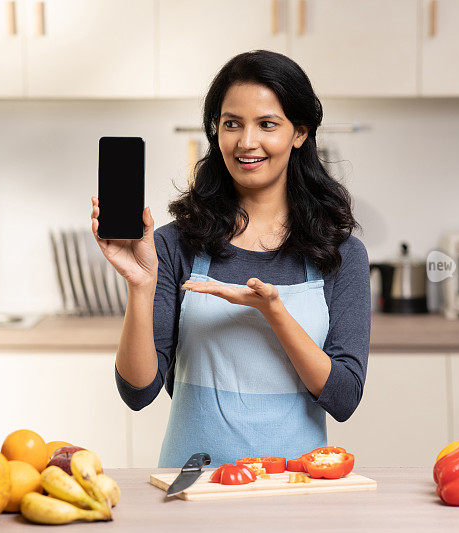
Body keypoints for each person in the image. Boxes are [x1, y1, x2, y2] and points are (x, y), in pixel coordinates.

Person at [91, 50, 370, 468]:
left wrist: (275, 313)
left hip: (295, 489)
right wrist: (140, 285)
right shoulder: (175, 244)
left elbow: (344, 397)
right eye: (231, 124)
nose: (246, 142)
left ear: (299, 134)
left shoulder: (340, 253)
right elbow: (138, 392)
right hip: (191, 488)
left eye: (267, 124)